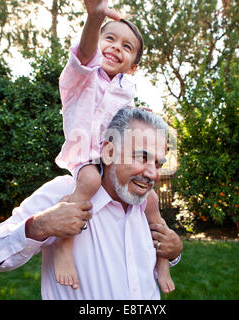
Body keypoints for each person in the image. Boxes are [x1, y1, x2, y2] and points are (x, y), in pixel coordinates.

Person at [0, 108, 183, 300]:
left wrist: (173, 253)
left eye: (158, 164)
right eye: (142, 157)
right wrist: (39, 225)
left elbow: (146, 267)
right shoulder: (65, 193)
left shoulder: (146, 206)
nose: (152, 173)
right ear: (109, 152)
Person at [53, 0, 174, 293]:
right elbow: (83, 54)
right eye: (110, 38)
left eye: (127, 46)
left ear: (133, 67)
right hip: (86, 156)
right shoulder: (80, 78)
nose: (116, 47)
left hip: (114, 158)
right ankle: (63, 248)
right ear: (97, 43)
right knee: (91, 180)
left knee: (154, 202)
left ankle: (163, 261)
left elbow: (130, 124)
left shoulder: (126, 91)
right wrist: (94, 19)